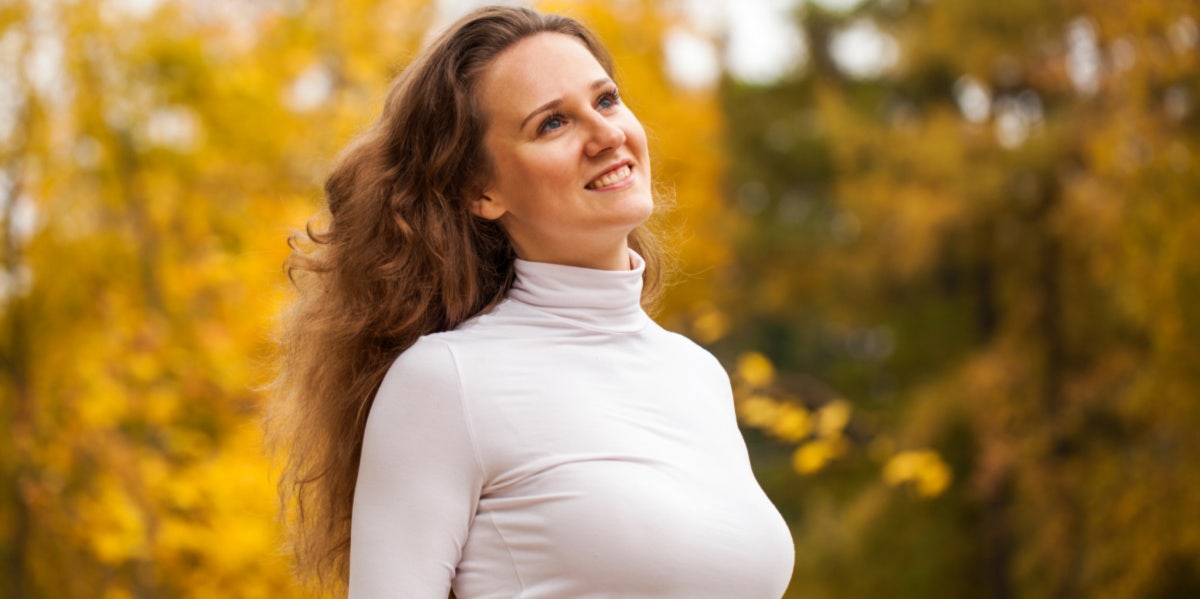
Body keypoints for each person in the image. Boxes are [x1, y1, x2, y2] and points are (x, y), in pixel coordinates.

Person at [269, 5, 794, 598]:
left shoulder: (697, 375)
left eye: (605, 100)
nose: (607, 135)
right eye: (552, 124)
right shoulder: (446, 383)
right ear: (481, 190)